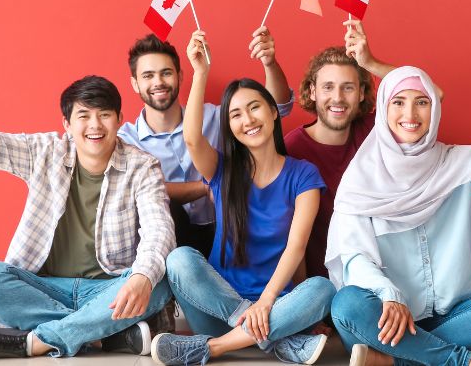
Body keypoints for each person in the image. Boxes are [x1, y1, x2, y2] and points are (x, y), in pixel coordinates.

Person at [0, 61, 175, 359]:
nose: (94, 126)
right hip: (44, 287)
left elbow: (159, 229)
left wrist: (141, 277)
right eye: (83, 116)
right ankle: (103, 335)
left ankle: (36, 340)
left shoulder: (142, 166)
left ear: (119, 120)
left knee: (161, 279)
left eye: (104, 115)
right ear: (67, 124)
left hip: (108, 290)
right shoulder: (45, 152)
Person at [327, 52, 471, 366]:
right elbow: (355, 258)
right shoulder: (360, 179)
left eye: (421, 102)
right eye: (398, 102)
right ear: (384, 109)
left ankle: (394, 361)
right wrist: (389, 295)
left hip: (455, 316)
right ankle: (461, 362)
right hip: (388, 316)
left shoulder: (457, 163)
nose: (410, 113)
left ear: (434, 108)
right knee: (347, 305)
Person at [150, 32, 336, 366]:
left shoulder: (303, 175)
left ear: (273, 112)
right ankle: (275, 341)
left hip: (276, 304)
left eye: (254, 108)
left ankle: (212, 348)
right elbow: (192, 139)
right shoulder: (223, 169)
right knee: (179, 260)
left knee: (322, 289)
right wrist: (200, 71)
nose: (247, 120)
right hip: (217, 307)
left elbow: (296, 249)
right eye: (236, 114)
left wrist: (268, 303)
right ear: (229, 125)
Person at [119, 27, 294, 258]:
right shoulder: (126, 140)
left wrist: (269, 63)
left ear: (180, 76)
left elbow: (278, 108)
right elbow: (139, 190)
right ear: (135, 83)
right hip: (167, 239)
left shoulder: (215, 117)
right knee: (166, 206)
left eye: (166, 73)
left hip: (228, 227)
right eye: (148, 75)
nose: (158, 82)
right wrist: (210, 186)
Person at [285, 19, 394, 279]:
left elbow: (430, 94)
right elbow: (286, 236)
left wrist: (370, 63)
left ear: (361, 93)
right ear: (312, 92)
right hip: (318, 285)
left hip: (376, 278)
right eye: (328, 87)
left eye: (348, 87)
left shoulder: (373, 131)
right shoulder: (291, 149)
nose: (337, 98)